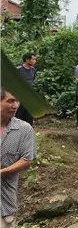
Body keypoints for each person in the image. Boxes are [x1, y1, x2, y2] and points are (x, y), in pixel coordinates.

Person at [0, 88, 36, 228]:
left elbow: (27, 160)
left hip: (5, 203)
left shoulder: (24, 129)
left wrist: (3, 171)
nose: (15, 105)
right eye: (10, 101)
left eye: (17, 101)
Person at [15, 53, 37, 125]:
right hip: (19, 96)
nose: (35, 61)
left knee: (29, 117)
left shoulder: (33, 70)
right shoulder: (18, 70)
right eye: (33, 59)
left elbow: (32, 81)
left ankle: (28, 133)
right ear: (27, 60)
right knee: (19, 116)